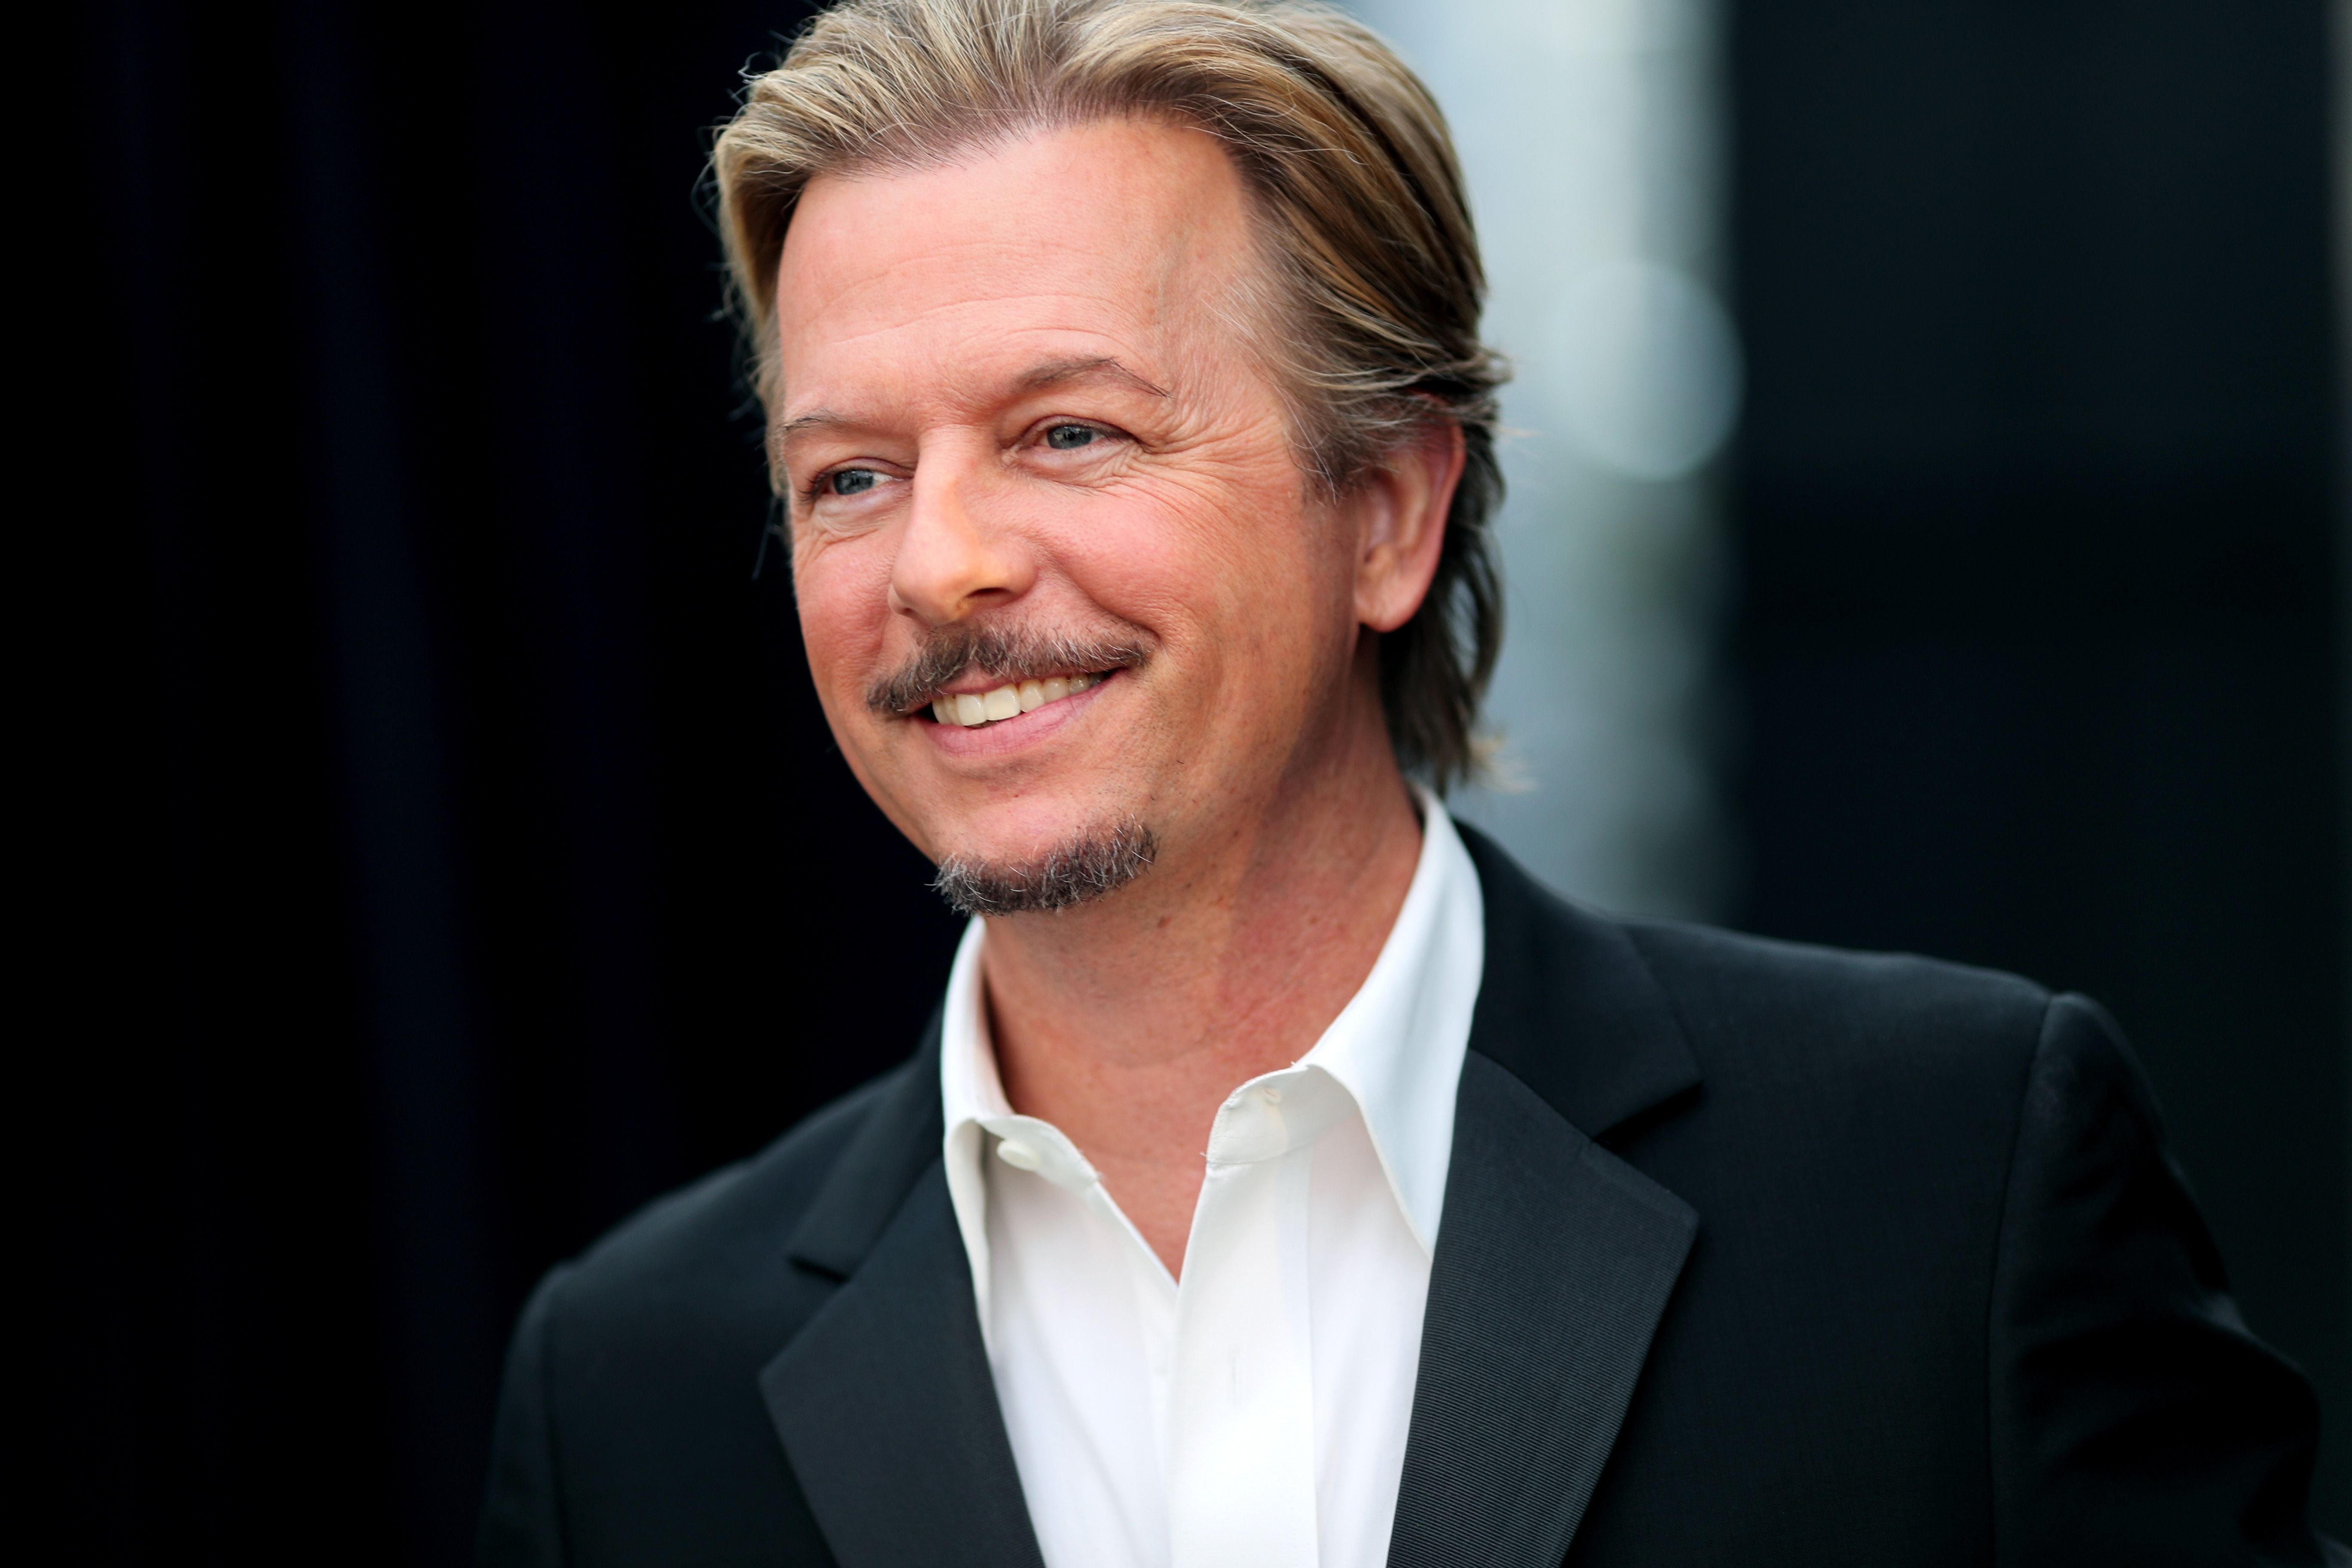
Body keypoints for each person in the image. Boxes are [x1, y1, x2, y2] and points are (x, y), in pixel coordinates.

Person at [477, 2, 2344, 1563]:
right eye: (852, 475)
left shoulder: (1950, 1189)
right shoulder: (633, 1393)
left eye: (1068, 432)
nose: (938, 562)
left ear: (1385, 511)